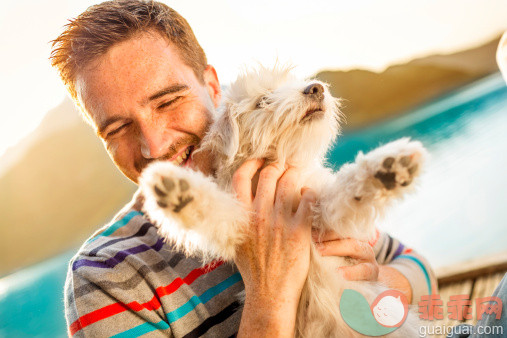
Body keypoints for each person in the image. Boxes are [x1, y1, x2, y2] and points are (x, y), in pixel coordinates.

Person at [50, 1, 436, 336]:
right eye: (118, 128)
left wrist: (380, 285)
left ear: (213, 88)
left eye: (168, 102)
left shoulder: (284, 177)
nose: (154, 144)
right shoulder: (103, 276)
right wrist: (272, 296)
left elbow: (420, 270)